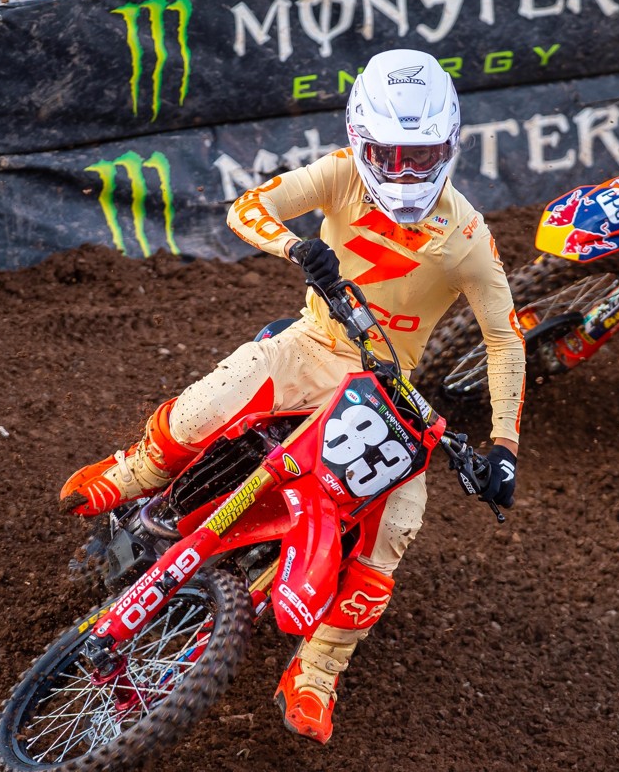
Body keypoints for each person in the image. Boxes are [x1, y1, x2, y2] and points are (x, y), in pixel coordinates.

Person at [58, 48, 526, 744]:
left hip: (389, 389)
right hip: (313, 343)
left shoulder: (467, 234)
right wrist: (294, 247)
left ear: (449, 146)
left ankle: (317, 672)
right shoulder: (340, 175)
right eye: (389, 156)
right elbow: (250, 207)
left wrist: (504, 446)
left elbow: (505, 339)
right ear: (360, 140)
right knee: (212, 401)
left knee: (394, 530)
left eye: (421, 156)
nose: (404, 173)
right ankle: (135, 472)